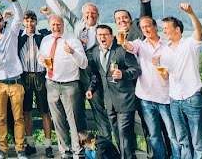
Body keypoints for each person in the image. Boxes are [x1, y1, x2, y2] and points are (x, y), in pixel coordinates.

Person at [122, 17, 179, 159]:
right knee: (153, 135)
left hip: (165, 97)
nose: (146, 30)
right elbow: (128, 46)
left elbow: (174, 69)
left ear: (155, 27)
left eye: (148, 26)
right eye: (142, 28)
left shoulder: (168, 45)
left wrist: (159, 65)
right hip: (146, 98)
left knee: (172, 134)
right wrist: (122, 40)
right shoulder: (140, 45)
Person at [157, 4, 202, 159]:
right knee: (182, 140)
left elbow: (199, 30)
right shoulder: (164, 50)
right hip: (175, 98)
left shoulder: (190, 44)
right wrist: (159, 68)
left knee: (198, 140)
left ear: (177, 29)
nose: (163, 31)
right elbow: (166, 76)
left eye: (166, 28)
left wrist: (191, 13)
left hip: (192, 96)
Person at [86, 25, 140, 159]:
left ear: (112, 37)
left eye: (105, 35)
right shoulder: (95, 53)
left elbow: (136, 70)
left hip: (125, 99)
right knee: (117, 134)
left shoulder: (122, 50)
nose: (102, 37)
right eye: (99, 35)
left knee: (124, 135)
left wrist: (123, 74)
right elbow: (96, 75)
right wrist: (91, 89)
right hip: (109, 101)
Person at [39, 15, 88, 159]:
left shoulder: (73, 40)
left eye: (58, 24)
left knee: (74, 121)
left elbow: (84, 63)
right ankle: (64, 151)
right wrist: (41, 60)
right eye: (53, 25)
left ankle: (78, 152)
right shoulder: (46, 40)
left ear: (63, 24)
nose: (56, 27)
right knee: (58, 120)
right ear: (49, 25)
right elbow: (41, 58)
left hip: (70, 85)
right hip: (52, 84)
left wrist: (72, 52)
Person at [0, 0, 27, 159]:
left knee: (18, 118)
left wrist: (13, 0)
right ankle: (2, 149)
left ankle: (20, 149)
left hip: (16, 82)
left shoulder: (12, 33)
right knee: (1, 118)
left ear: (3, 22)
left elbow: (19, 16)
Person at [18, 11, 53, 158]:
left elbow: (56, 28)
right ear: (23, 23)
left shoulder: (43, 35)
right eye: (26, 21)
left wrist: (49, 13)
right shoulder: (18, 37)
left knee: (45, 111)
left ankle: (48, 145)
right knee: (26, 111)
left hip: (40, 75)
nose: (29, 24)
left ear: (36, 22)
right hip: (24, 75)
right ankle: (30, 143)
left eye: (32, 21)